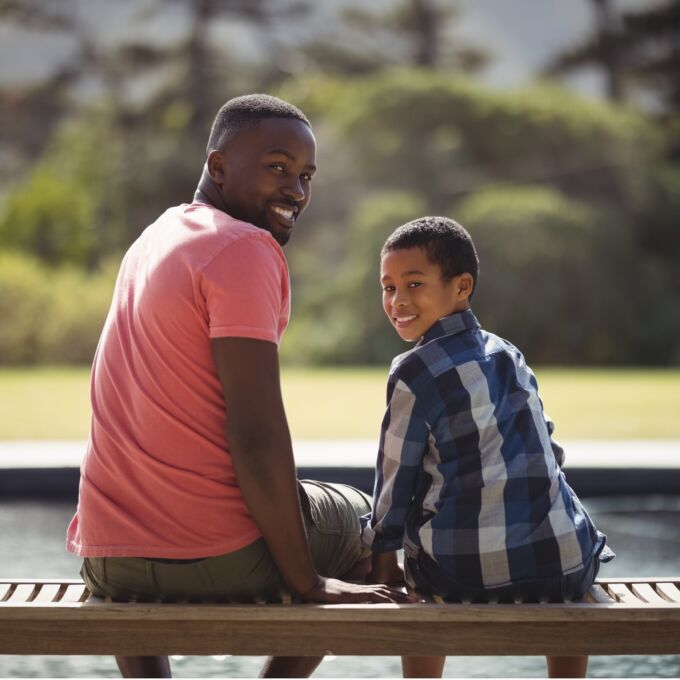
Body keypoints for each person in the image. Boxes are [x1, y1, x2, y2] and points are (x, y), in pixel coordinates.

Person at [66, 94, 409, 679]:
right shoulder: (244, 248)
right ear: (218, 166)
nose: (297, 191)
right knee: (362, 520)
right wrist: (308, 582)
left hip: (106, 559)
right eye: (277, 167)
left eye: (305, 176)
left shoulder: (154, 238)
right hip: (213, 558)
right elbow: (254, 436)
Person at [362, 216, 614, 679]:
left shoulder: (413, 371)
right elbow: (550, 455)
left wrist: (383, 558)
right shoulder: (508, 354)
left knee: (416, 551)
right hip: (563, 568)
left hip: (460, 574)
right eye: (388, 287)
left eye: (413, 284)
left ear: (461, 287)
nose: (397, 301)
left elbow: (396, 482)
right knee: (558, 535)